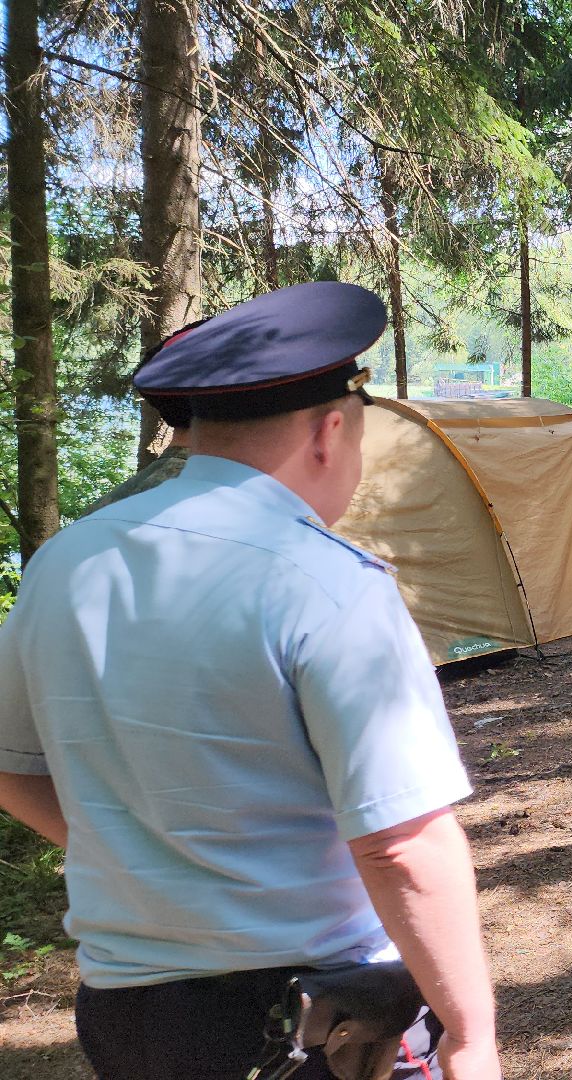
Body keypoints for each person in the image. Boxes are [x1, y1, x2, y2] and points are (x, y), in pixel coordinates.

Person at [0, 282, 499, 1080]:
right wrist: (471, 1033)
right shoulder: (327, 580)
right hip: (311, 1022)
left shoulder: (65, 563)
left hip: (127, 1012)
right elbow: (401, 842)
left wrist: (154, 860)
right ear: (331, 432)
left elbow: (13, 771)